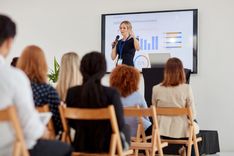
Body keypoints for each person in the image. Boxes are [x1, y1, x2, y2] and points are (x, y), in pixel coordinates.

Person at [0, 14, 71, 156]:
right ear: (9, 42)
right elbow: (30, 126)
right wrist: (43, 131)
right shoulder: (14, 78)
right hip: (11, 149)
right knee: (65, 149)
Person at [65, 51, 130, 152]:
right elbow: (119, 124)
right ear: (103, 70)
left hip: (80, 146)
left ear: (81, 69)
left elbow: (72, 123)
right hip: (108, 147)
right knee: (126, 129)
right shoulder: (112, 94)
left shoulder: (72, 93)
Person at [151, 57, 199, 155]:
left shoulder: (156, 89)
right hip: (182, 131)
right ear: (181, 71)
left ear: (166, 72)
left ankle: (182, 150)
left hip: (161, 130)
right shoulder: (186, 88)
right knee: (194, 124)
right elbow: (193, 114)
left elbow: (153, 114)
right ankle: (186, 150)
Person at [17, 45, 62, 135]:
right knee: (67, 148)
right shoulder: (48, 91)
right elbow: (59, 125)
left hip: (15, 141)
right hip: (41, 140)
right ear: (43, 64)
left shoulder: (14, 89)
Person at [110, 64, 151, 137]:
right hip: (138, 134)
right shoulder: (138, 96)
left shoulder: (111, 96)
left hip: (117, 134)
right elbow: (146, 116)